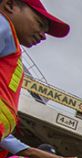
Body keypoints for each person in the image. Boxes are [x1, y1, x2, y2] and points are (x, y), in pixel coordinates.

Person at [0, 0, 69, 146]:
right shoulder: (3, 26)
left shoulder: (10, 45)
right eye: (40, 24)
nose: (44, 36)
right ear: (10, 5)